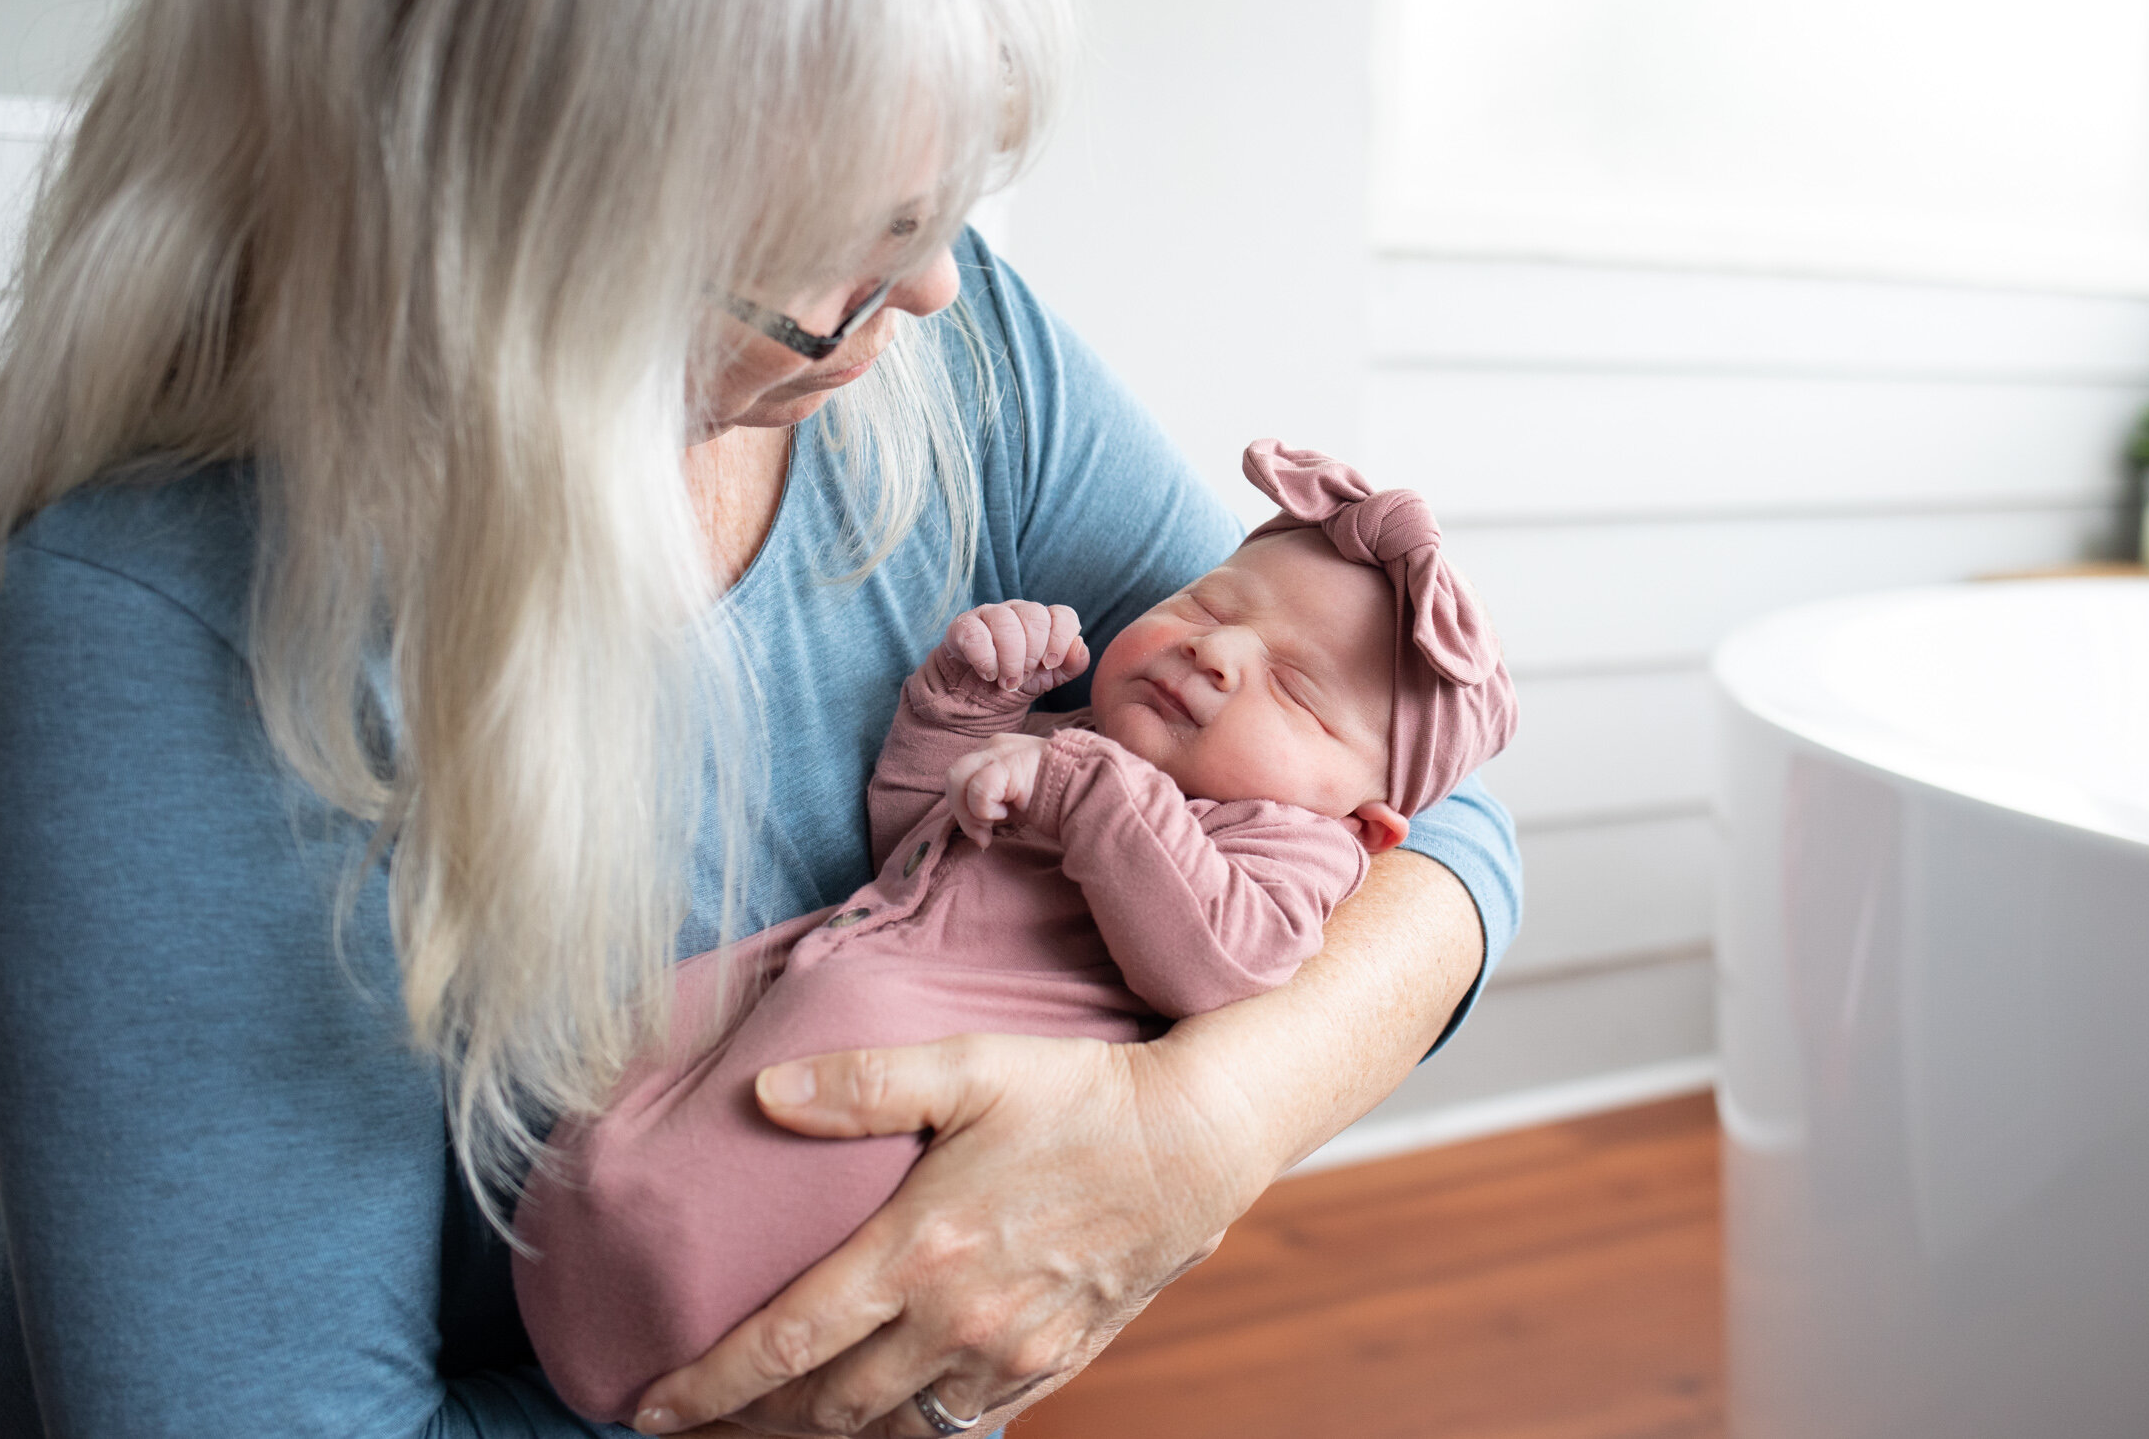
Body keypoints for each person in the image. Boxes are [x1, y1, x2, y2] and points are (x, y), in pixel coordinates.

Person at [0, 0, 1521, 1436]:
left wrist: (1186, 1142)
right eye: (852, 235)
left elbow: (1429, 795)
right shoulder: (154, 634)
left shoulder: (942, 345)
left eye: (939, 201)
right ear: (502, 225)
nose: (931, 282)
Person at [513, 441, 1521, 1423]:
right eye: (1205, 604)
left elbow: (1223, 958)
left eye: (1295, 689)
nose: (1214, 652)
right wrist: (962, 711)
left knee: (748, 1171)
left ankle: (666, 1299)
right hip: (817, 978)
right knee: (646, 1097)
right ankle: (605, 1234)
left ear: (1368, 821)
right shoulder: (1080, 742)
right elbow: (919, 841)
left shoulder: (1292, 845)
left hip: (919, 1077)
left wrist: (1083, 788)